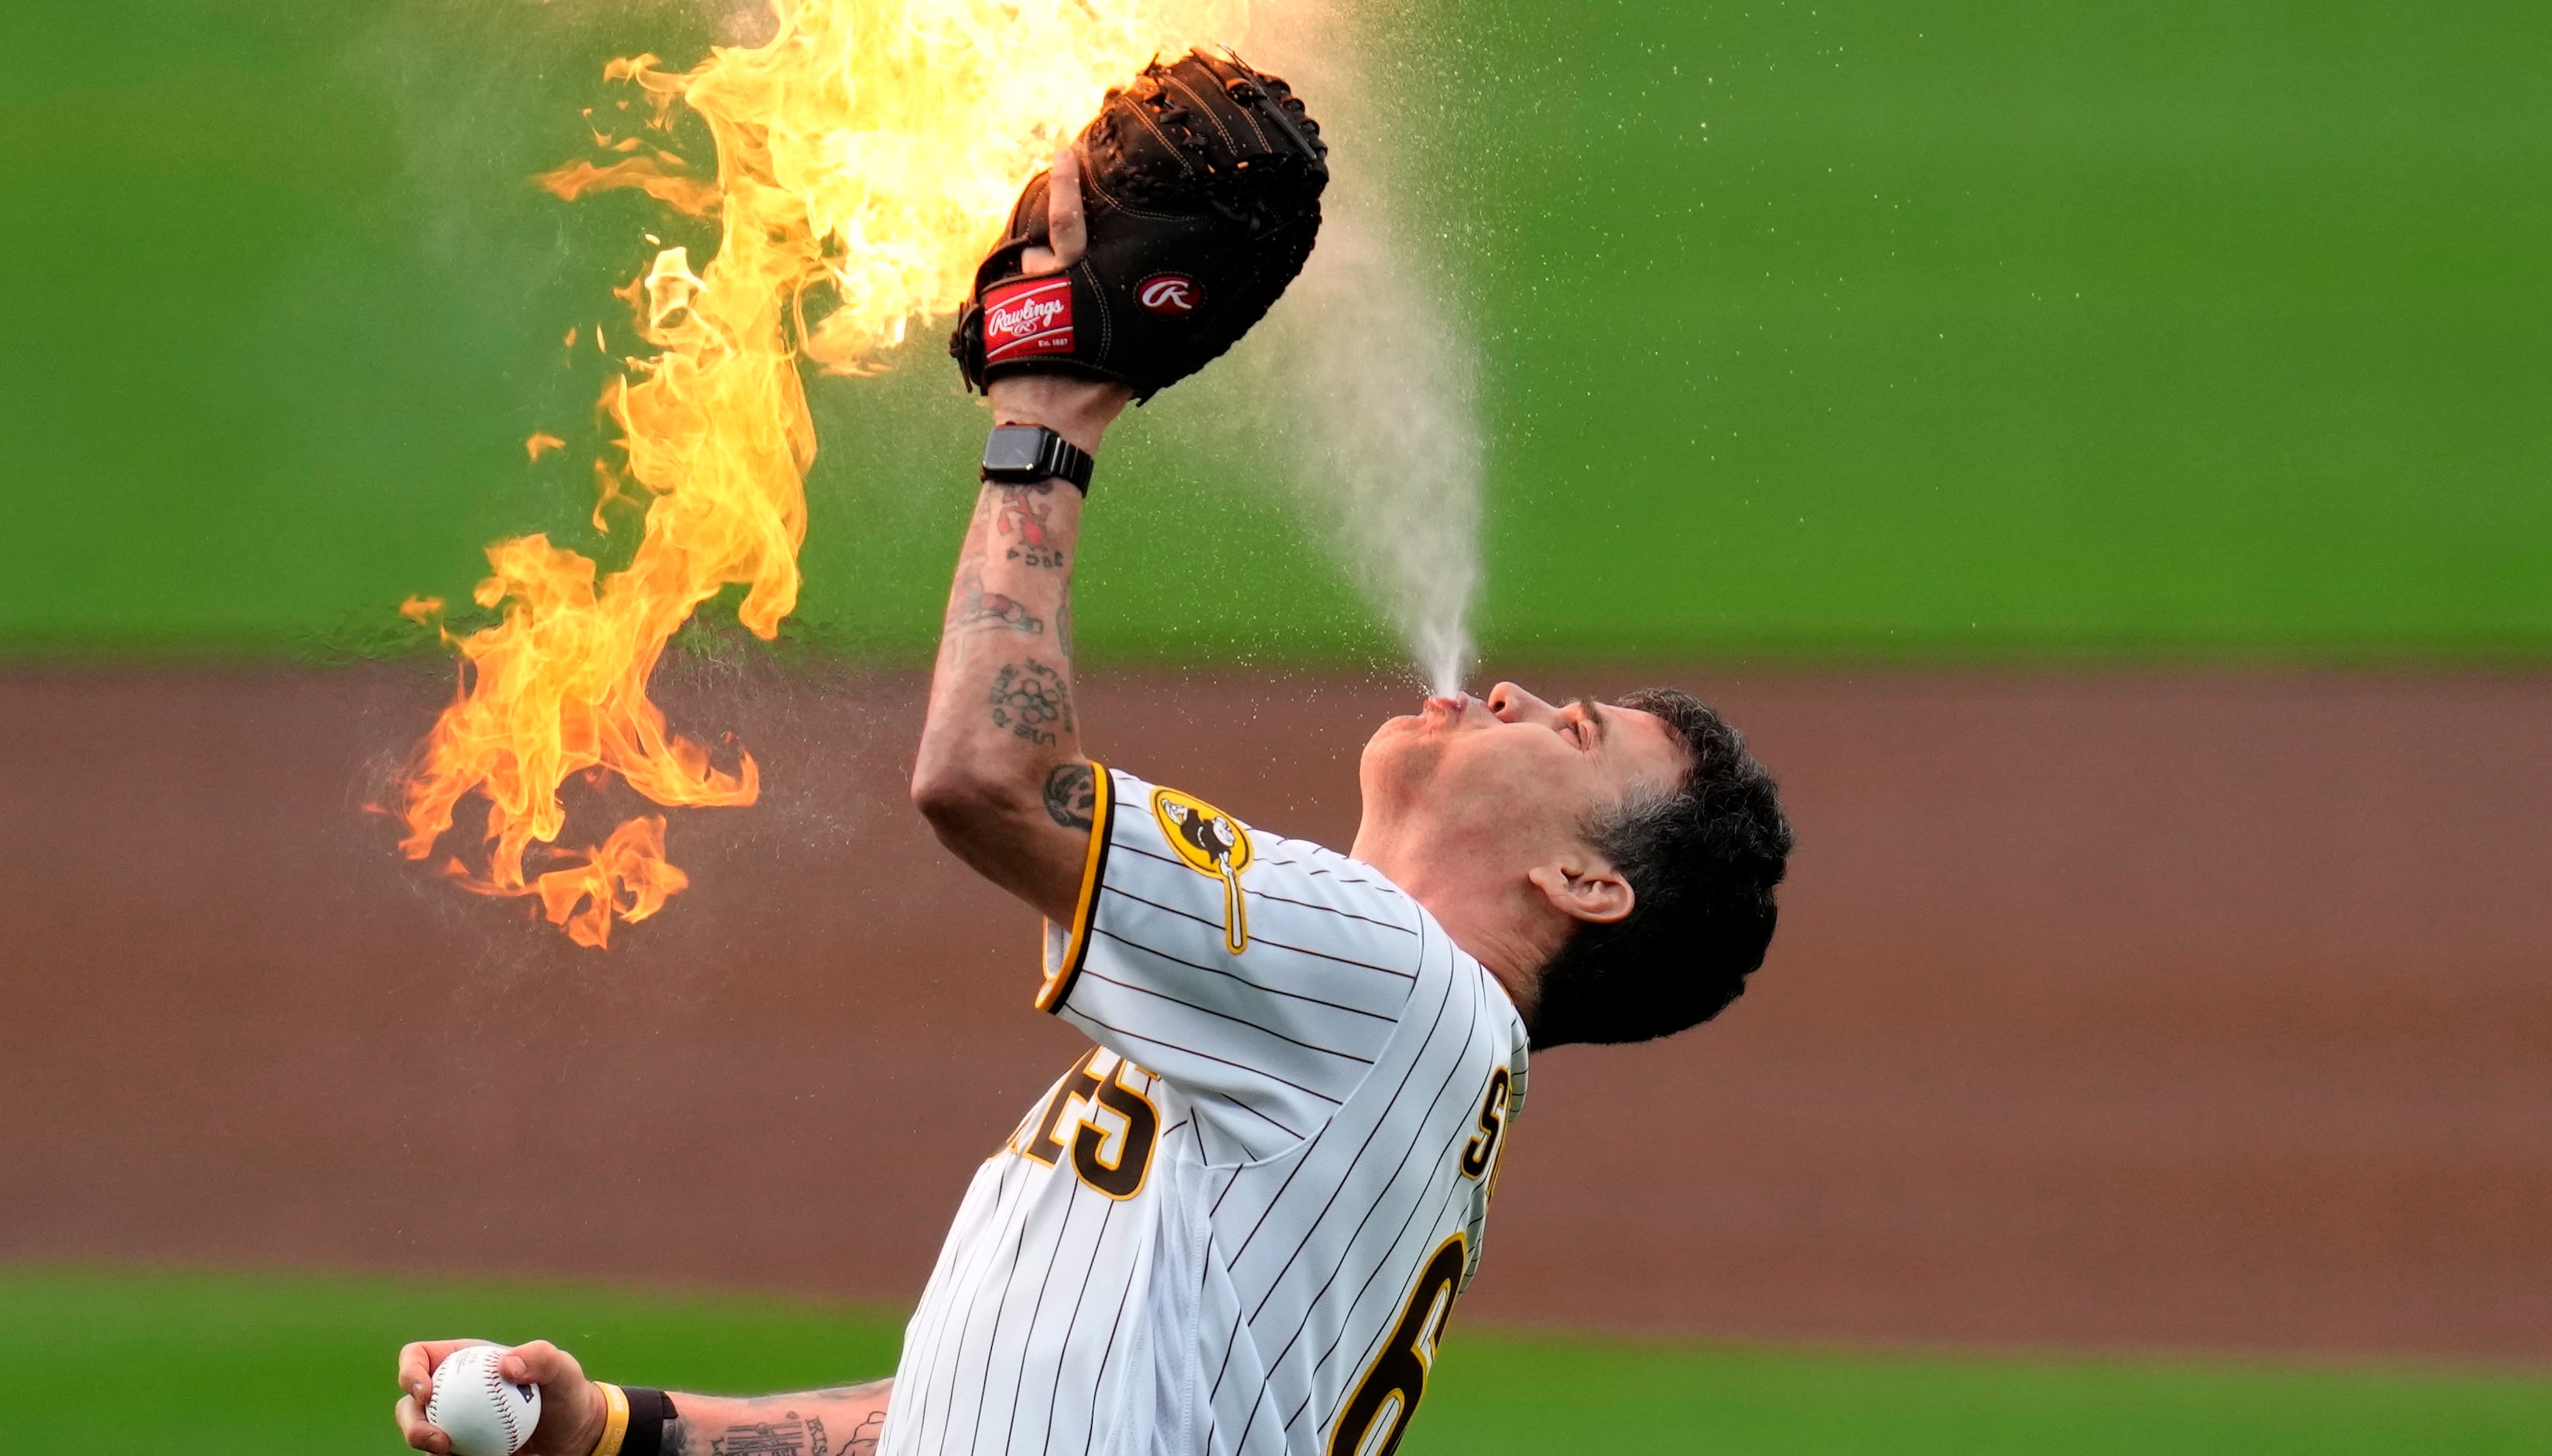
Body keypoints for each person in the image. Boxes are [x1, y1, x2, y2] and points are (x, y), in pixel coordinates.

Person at [395, 151, 1792, 1456]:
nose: (1517, 698)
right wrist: (621, 1430)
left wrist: (1049, 417)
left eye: (1577, 733)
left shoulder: (1393, 988)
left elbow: (989, 778)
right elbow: (959, 1409)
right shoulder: (1366, 1052)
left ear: (1588, 885)